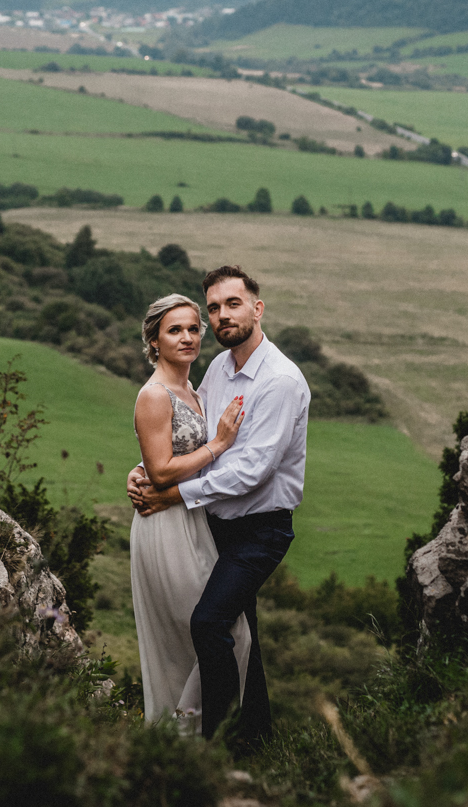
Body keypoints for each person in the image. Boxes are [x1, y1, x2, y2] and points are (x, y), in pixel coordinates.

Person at [129, 266, 309, 748]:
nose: (222, 315)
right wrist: (145, 470)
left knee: (209, 624)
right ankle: (256, 744)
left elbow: (253, 470)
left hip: (258, 532)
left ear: (257, 307)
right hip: (209, 526)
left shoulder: (279, 381)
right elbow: (188, 440)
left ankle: (217, 744)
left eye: (233, 303)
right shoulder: (218, 370)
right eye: (214, 307)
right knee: (241, 635)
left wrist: (170, 493)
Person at [128, 293, 251, 730]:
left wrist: (139, 468)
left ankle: (189, 737)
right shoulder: (155, 395)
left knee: (220, 633)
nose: (187, 337)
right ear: (154, 341)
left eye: (193, 328)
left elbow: (158, 458)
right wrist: (217, 444)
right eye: (174, 330)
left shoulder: (194, 392)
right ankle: (177, 737)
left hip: (196, 520)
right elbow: (161, 471)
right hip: (164, 524)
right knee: (213, 633)